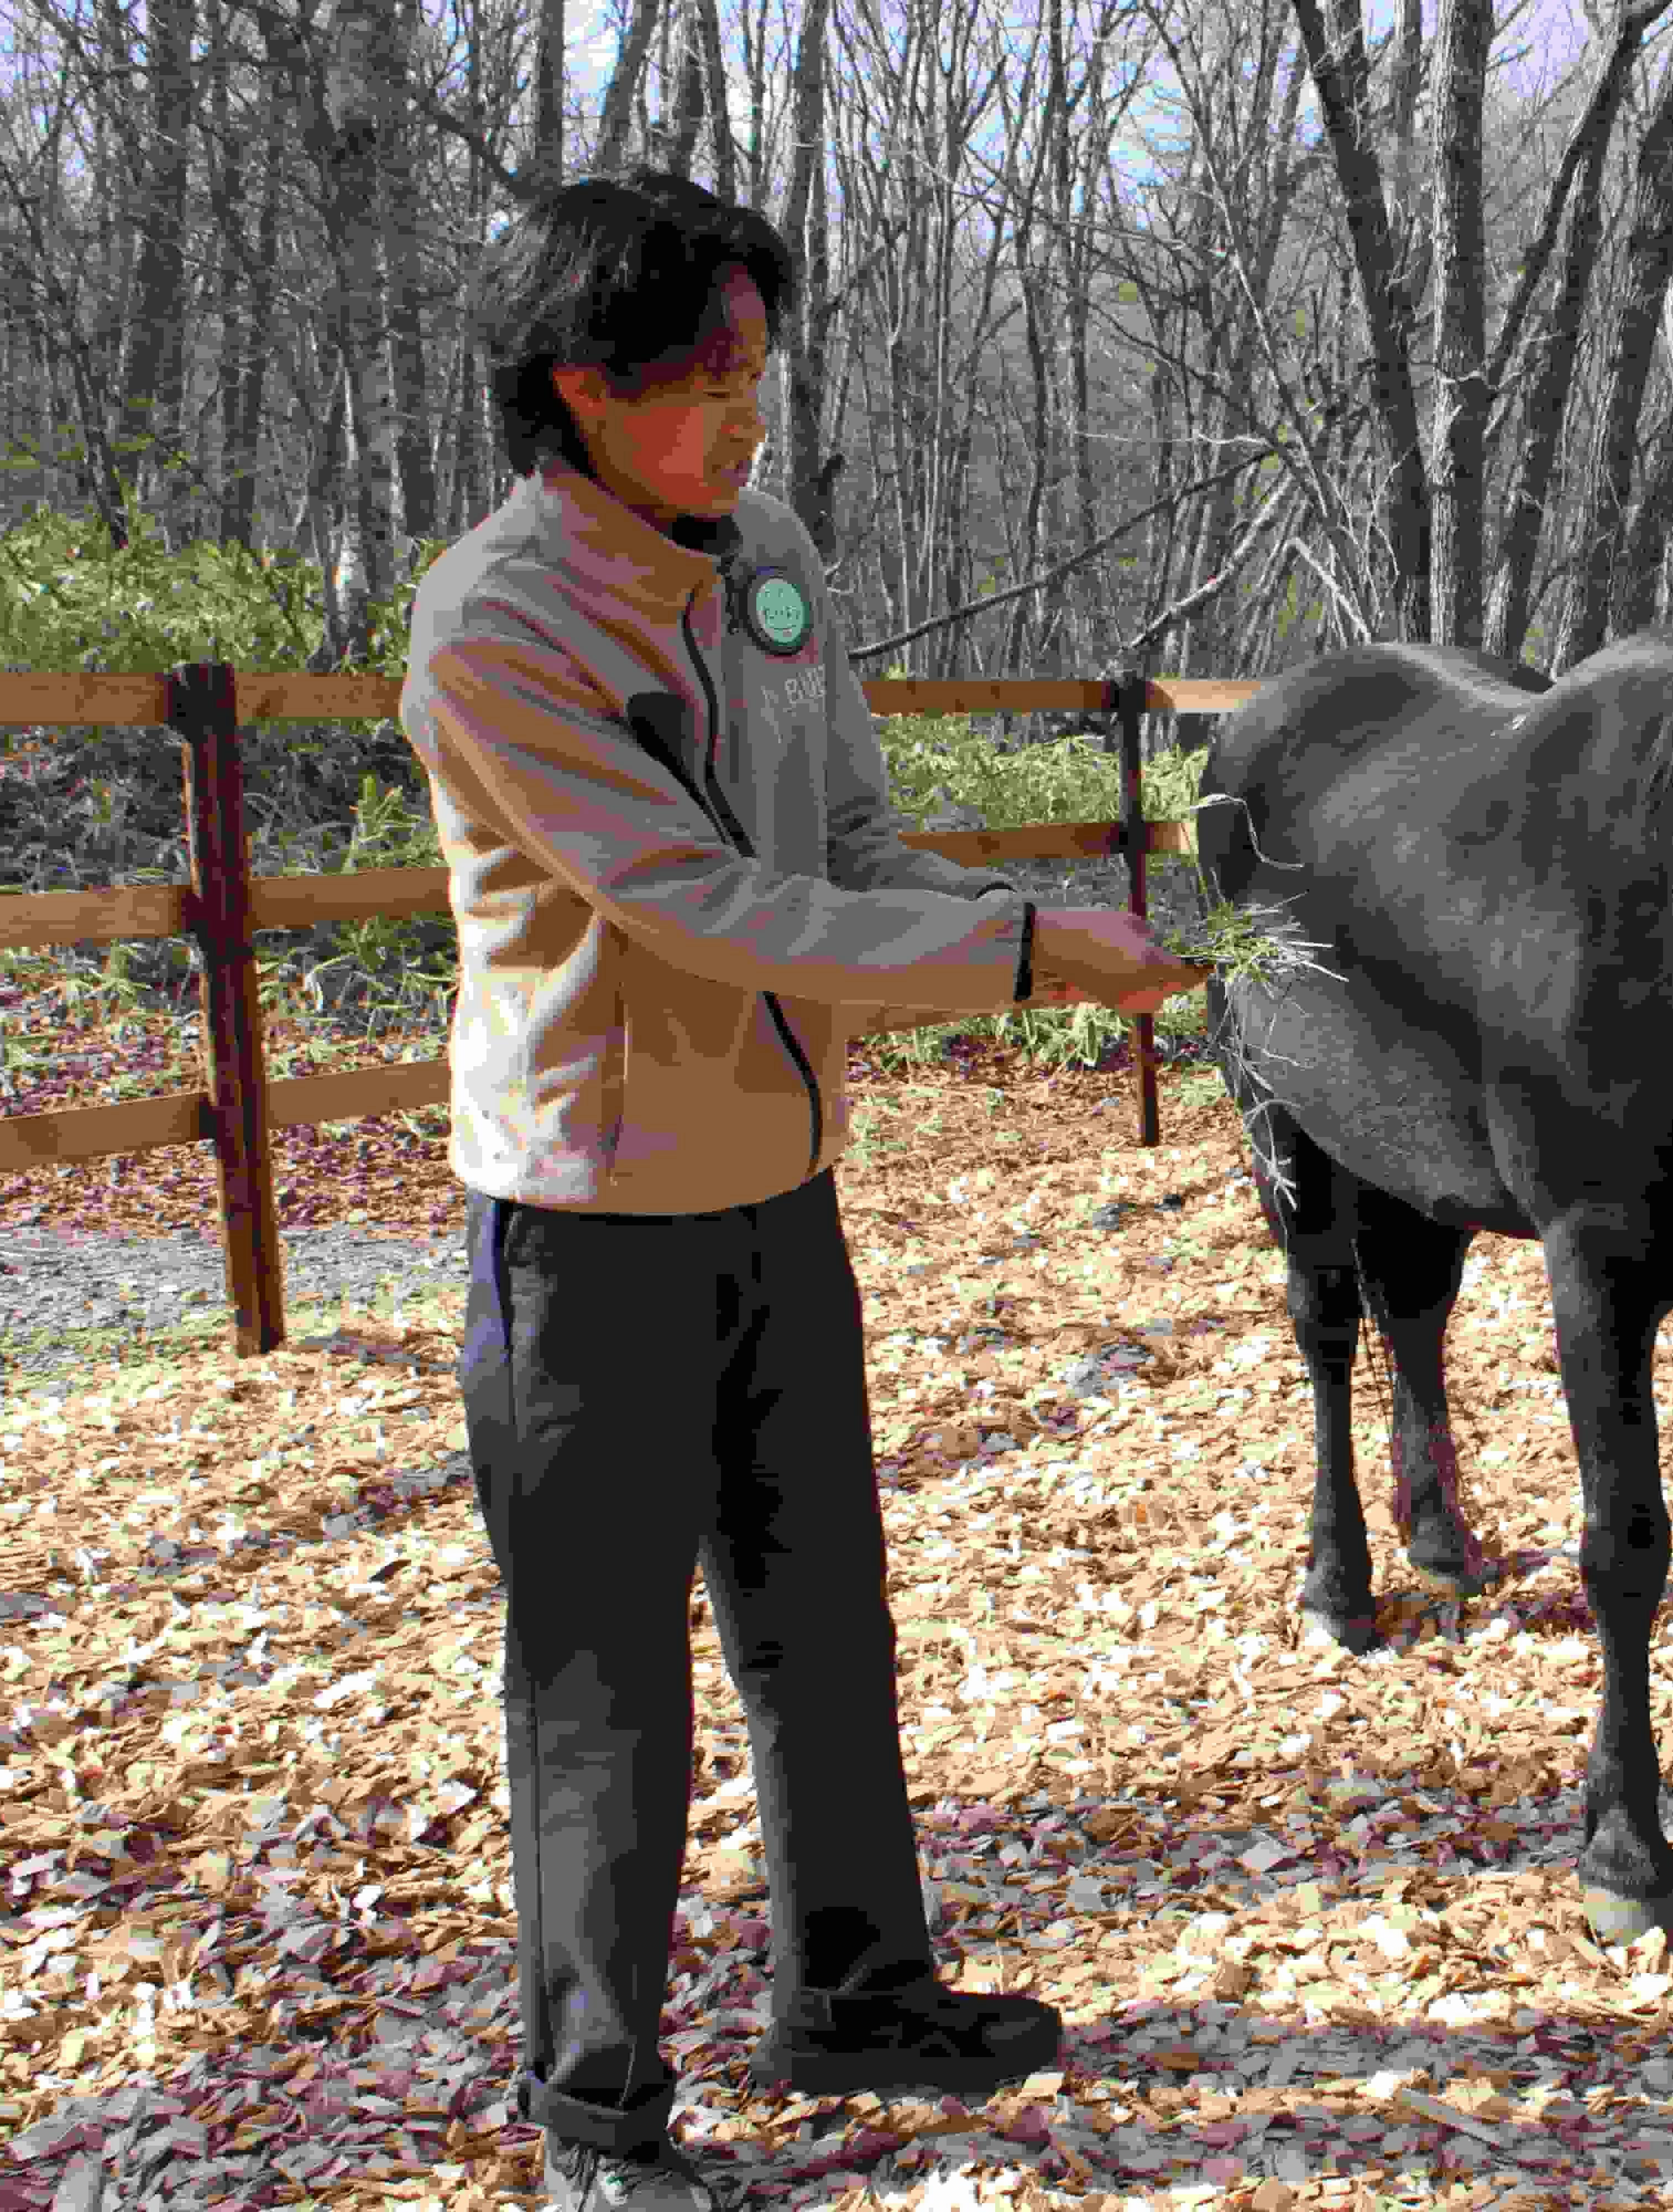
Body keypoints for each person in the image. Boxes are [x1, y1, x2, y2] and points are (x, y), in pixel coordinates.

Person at [400, 171, 1203, 2210]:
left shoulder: (765, 553)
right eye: (715, 378)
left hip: (778, 1190)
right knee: (601, 1679)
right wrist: (1024, 963)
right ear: (584, 388)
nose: (756, 413)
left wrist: (1040, 910)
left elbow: (847, 838)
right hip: (587, 1220)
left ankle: (855, 1990)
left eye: (768, 365)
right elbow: (708, 913)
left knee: (820, 1620)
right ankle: (596, 2110)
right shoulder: (498, 626)